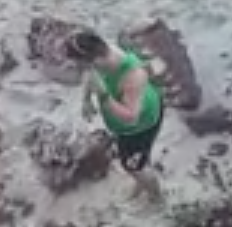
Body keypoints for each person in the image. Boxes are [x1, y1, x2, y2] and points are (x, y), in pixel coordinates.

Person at [68, 30, 164, 201]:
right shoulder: (101, 55)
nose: (79, 70)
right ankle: (141, 182)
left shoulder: (133, 76)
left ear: (94, 60)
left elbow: (131, 117)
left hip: (140, 126)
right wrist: (86, 100)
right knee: (137, 162)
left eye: (81, 65)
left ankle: (156, 196)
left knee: (132, 166)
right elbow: (90, 76)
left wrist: (104, 96)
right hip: (124, 126)